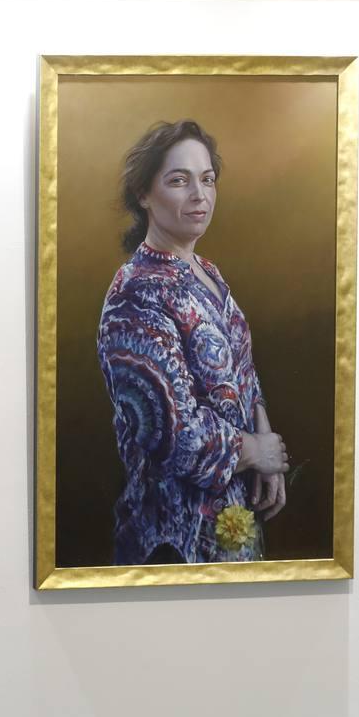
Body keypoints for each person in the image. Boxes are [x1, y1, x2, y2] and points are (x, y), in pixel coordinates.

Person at [96, 120, 290, 565]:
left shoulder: (208, 272)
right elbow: (171, 432)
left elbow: (241, 368)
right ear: (144, 194)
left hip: (233, 522)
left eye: (207, 179)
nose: (199, 194)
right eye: (179, 180)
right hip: (172, 539)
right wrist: (255, 451)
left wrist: (265, 440)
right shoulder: (136, 292)